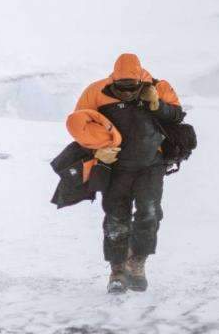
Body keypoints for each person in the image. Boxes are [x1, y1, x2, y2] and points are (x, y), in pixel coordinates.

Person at [74, 53, 183, 294]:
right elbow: (80, 125)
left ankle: (137, 264)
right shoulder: (96, 91)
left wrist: (156, 104)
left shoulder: (159, 87)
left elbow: (177, 116)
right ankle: (117, 270)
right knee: (116, 217)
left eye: (131, 88)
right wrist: (97, 152)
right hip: (115, 167)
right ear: (113, 80)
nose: (125, 93)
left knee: (149, 213)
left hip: (151, 165)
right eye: (120, 88)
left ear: (140, 80)